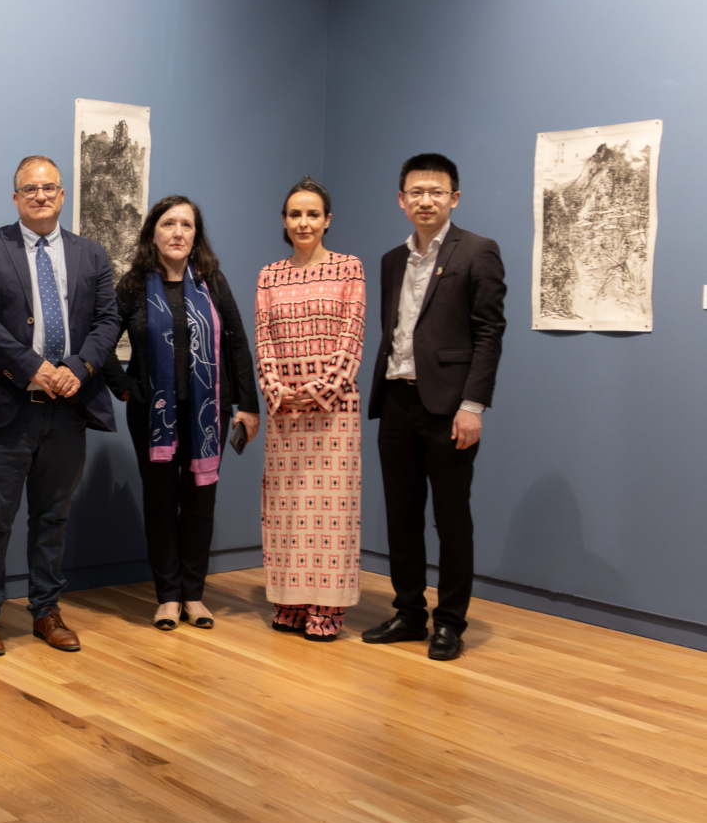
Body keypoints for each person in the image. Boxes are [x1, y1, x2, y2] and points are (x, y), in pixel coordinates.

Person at [0, 155, 120, 656]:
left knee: (53, 517)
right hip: (9, 404)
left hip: (69, 407)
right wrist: (32, 367)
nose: (41, 196)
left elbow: (108, 320)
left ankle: (46, 609)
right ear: (15, 197)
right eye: (30, 189)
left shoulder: (92, 254)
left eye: (50, 188)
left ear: (62, 195)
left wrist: (78, 368)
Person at [362, 153, 505, 662]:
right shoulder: (390, 260)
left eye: (436, 192)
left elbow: (489, 333)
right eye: (416, 192)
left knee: (450, 518)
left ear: (454, 198)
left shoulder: (478, 252)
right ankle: (408, 612)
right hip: (396, 399)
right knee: (401, 515)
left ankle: (449, 622)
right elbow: (396, 332)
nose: (426, 200)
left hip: (449, 407)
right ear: (401, 200)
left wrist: (473, 404)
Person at [105, 196, 259, 631]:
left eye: (186, 225)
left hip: (210, 414)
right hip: (152, 415)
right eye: (169, 224)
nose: (178, 232)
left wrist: (248, 404)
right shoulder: (134, 285)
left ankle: (194, 595)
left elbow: (236, 343)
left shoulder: (212, 281)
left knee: (199, 504)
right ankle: (167, 597)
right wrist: (126, 389)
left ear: (196, 235)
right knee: (160, 504)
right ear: (153, 232)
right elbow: (100, 342)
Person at [253, 177, 365, 642]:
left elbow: (352, 336)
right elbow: (263, 341)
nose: (304, 222)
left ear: (327, 220)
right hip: (285, 414)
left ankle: (328, 605)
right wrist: (279, 391)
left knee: (332, 511)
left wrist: (319, 391)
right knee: (285, 509)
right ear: (284, 221)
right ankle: (292, 600)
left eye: (313, 214)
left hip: (334, 412)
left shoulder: (349, 269)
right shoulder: (269, 275)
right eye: (295, 214)